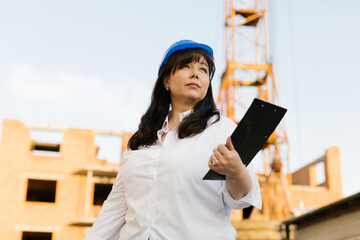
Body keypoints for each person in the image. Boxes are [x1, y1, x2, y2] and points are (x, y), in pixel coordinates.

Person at [84, 40, 262, 240]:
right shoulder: (141, 139)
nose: (195, 73)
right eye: (186, 66)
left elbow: (241, 199)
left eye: (203, 70)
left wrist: (236, 171)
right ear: (166, 80)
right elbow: (116, 207)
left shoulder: (221, 129)